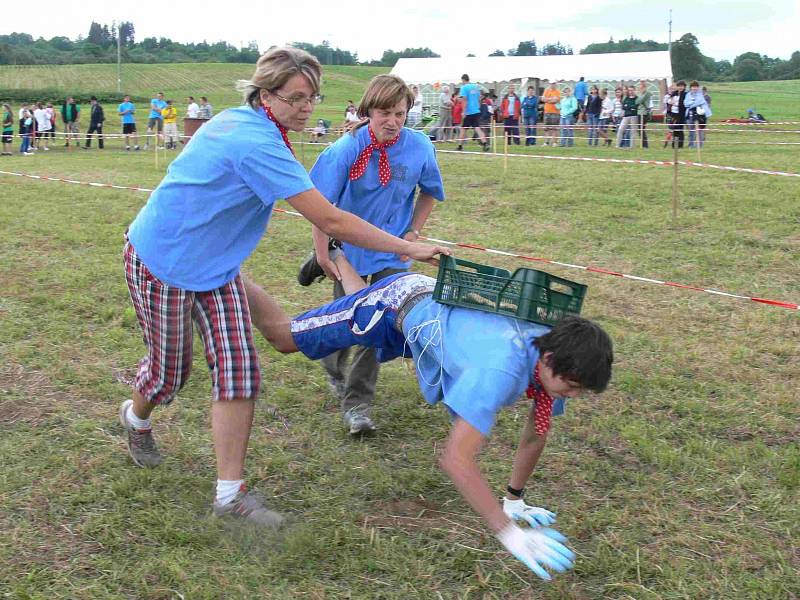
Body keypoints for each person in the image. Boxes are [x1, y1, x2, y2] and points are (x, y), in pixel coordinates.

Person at [118, 47, 447, 527]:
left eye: (312, 97)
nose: (306, 107)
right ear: (264, 94)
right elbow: (330, 217)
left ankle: (229, 498)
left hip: (216, 269)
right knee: (169, 375)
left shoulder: (257, 126)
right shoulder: (254, 140)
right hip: (161, 262)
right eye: (295, 97)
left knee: (239, 371)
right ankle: (136, 417)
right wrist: (408, 247)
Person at [243, 250, 613, 582]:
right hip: (394, 304)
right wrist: (507, 531)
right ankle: (228, 276)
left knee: (363, 321)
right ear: (547, 359)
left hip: (428, 325)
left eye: (581, 389)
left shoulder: (557, 354)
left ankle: (338, 257)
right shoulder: (500, 370)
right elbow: (456, 459)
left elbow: (537, 430)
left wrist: (514, 499)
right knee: (284, 337)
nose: (574, 394)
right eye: (573, 385)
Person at [297, 73, 445, 434]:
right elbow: (321, 207)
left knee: (373, 326)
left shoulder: (420, 147)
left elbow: (430, 190)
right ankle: (333, 367)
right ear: (368, 111)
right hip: (346, 248)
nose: (392, 122)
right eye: (384, 113)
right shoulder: (346, 149)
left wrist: (413, 232)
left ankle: (357, 405)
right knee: (345, 320)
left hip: (393, 252)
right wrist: (323, 255)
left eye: (400, 113)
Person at [457, 74, 488, 151]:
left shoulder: (464, 87)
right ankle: (485, 143)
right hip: (476, 110)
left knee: (463, 129)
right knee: (477, 128)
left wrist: (463, 112)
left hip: (468, 112)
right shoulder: (475, 87)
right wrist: (478, 107)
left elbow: (464, 99)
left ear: (463, 80)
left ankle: (460, 146)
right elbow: (479, 98)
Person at [685, 80, 712, 148]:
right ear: (691, 87)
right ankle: (691, 145)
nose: (694, 88)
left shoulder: (700, 94)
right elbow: (685, 103)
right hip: (690, 114)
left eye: (696, 87)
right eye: (693, 87)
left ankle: (699, 145)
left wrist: (691, 103)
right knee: (691, 130)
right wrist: (693, 103)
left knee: (699, 130)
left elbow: (700, 102)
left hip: (700, 114)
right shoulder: (688, 94)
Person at [669, 80, 687, 148]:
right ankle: (674, 144)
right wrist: (671, 102)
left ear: (684, 87)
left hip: (681, 114)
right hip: (673, 113)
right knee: (674, 129)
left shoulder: (685, 94)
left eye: (682, 86)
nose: (680, 87)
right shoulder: (674, 93)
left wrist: (676, 104)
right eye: (679, 86)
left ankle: (680, 145)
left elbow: (683, 104)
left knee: (680, 129)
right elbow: (669, 101)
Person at [542, 81, 561, 146]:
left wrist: (547, 99)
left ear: (555, 84)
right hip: (547, 112)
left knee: (554, 128)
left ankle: (555, 142)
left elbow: (555, 100)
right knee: (546, 129)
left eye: (553, 84)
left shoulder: (558, 92)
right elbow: (542, 99)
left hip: (555, 112)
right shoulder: (546, 91)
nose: (552, 85)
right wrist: (551, 99)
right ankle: (546, 142)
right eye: (551, 84)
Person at [635, 81, 651, 149]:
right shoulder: (641, 94)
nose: (640, 89)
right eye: (640, 87)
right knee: (640, 129)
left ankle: (645, 145)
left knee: (641, 129)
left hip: (644, 113)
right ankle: (643, 144)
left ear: (645, 87)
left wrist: (640, 96)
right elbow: (636, 102)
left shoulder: (647, 93)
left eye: (641, 87)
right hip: (639, 113)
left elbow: (639, 101)